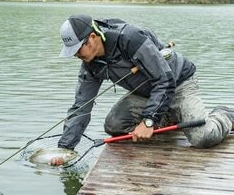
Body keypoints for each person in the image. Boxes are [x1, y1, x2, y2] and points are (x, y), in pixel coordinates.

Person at [51, 14, 234, 166]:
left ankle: (225, 115)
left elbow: (165, 80)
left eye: (77, 49)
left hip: (179, 83)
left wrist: (148, 121)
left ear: (92, 37)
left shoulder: (130, 38)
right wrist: (65, 149)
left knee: (202, 138)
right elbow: (81, 106)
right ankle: (167, 116)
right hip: (146, 94)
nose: (75, 55)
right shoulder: (90, 65)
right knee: (114, 125)